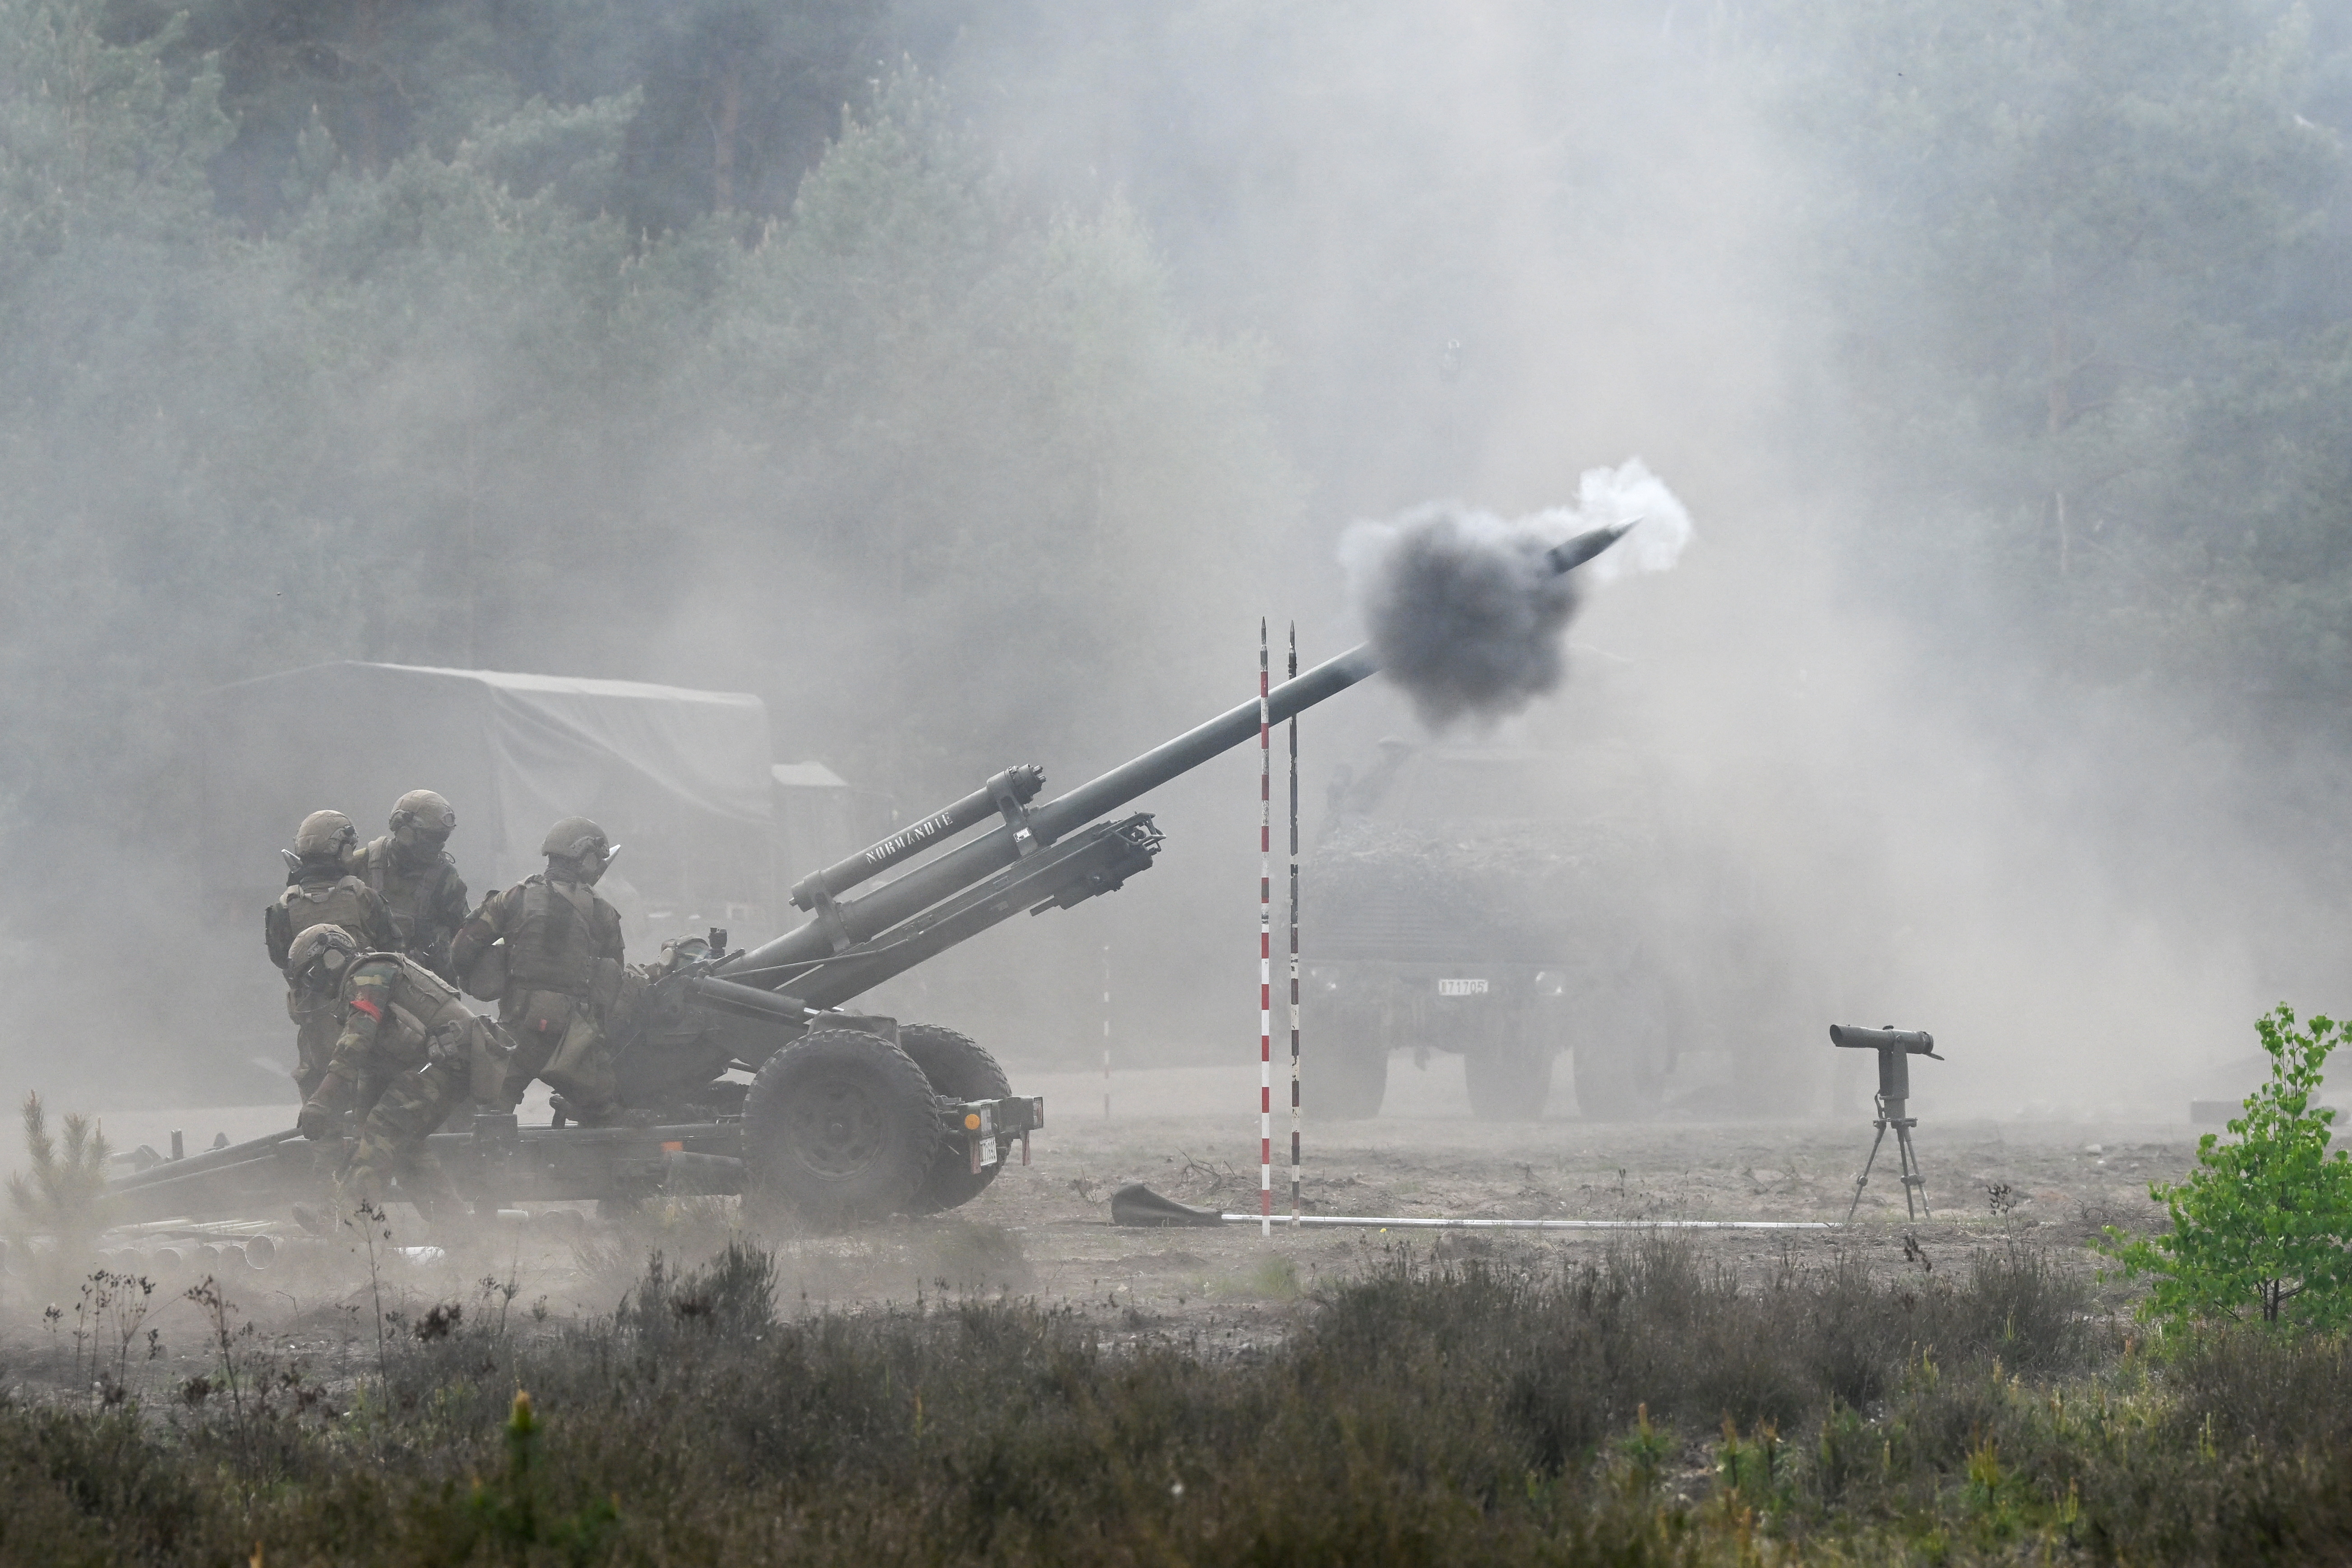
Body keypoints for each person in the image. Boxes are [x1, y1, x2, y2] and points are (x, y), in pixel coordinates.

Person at [288, 923, 509, 1219]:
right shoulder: (356, 986)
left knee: (385, 1127)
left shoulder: (371, 972)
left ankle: (351, 1221)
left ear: (332, 957)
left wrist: (322, 1099)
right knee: (396, 1144)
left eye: (313, 977)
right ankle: (458, 1233)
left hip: (451, 1059)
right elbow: (369, 1059)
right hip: (435, 1063)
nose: (313, 989)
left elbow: (358, 1038)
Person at [448, 816, 628, 1126]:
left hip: (517, 1029)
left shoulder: (513, 898)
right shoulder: (603, 912)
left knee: (483, 1116)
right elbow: (613, 977)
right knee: (607, 1116)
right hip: (575, 1038)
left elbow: (462, 952)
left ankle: (478, 1174)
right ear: (585, 859)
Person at [264, 810, 397, 1097]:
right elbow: (393, 953)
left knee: (320, 1100)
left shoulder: (284, 908)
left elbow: (281, 959)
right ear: (344, 849)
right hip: (367, 1016)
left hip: (315, 1019)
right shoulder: (366, 898)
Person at [349, 790, 470, 977]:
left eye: (443, 838)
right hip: (362, 974)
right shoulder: (363, 863)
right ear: (405, 832)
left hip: (419, 980)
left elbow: (464, 934)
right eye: (434, 838)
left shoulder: (446, 879)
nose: (441, 846)